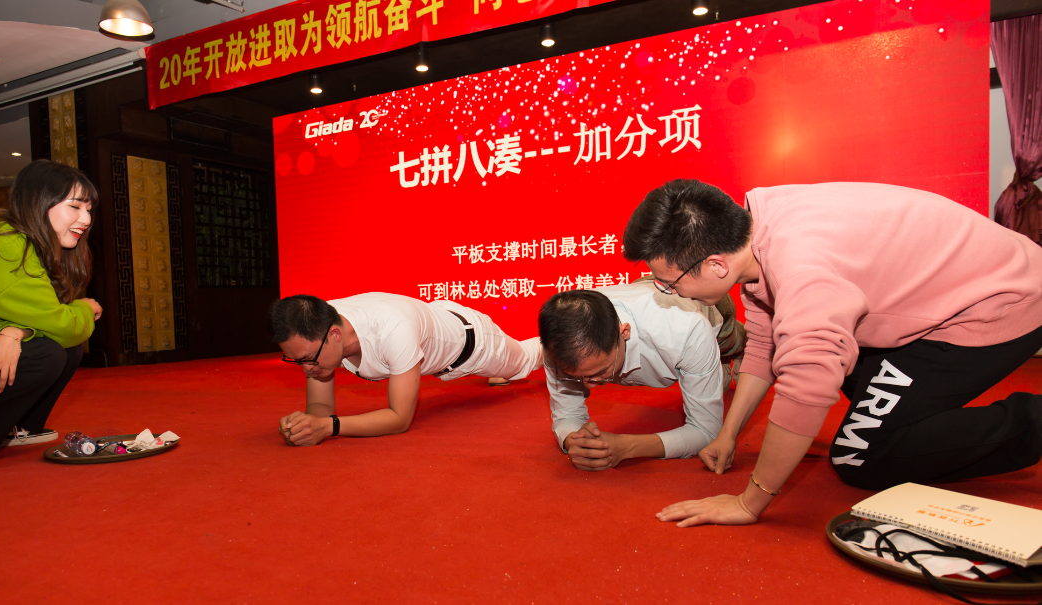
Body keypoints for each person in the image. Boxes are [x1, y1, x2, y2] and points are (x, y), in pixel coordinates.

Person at [620, 179, 1042, 527]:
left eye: (670, 283)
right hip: (955, 287)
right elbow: (765, 342)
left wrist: (749, 502)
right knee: (854, 384)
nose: (671, 292)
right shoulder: (755, 226)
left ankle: (1034, 423)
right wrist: (728, 434)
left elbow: (807, 383)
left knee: (859, 455)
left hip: (999, 303)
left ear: (716, 266)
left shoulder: (801, 269)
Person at [272, 293, 542, 444]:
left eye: (308, 359)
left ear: (336, 335)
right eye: (295, 360)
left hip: (473, 344)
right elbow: (320, 408)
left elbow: (399, 419)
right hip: (435, 325)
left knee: (524, 362)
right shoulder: (317, 329)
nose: (306, 368)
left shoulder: (393, 330)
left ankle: (555, 345)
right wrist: (306, 424)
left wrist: (327, 427)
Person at [538, 281, 745, 471]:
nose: (588, 386)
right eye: (575, 377)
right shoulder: (559, 343)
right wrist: (575, 441)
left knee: (733, 341)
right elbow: (566, 415)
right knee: (715, 377)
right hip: (642, 291)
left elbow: (707, 430)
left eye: (600, 373)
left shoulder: (686, 330)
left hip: (705, 303)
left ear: (624, 333)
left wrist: (628, 446)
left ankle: (741, 344)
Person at [0, 160, 104, 455]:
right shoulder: (3, 245)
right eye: (75, 206)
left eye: (89, 209)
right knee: (46, 354)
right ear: (38, 203)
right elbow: (63, 325)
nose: (86, 219)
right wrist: (85, 308)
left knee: (63, 350)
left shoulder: (28, 242)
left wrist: (15, 331)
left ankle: (19, 426)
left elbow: (38, 315)